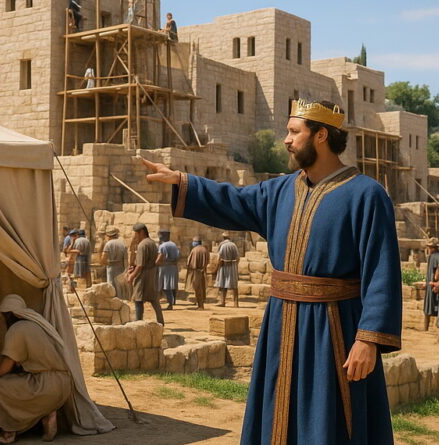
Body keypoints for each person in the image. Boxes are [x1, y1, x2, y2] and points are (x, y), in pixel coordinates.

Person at [140, 99, 402, 445]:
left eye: (294, 131)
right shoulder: (279, 190)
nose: (286, 139)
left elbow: (381, 271)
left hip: (333, 328)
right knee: (276, 415)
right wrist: (183, 181)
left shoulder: (366, 195)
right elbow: (232, 199)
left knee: (331, 419)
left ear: (321, 135)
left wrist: (368, 340)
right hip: (281, 324)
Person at [0, 295, 74, 444]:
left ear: (8, 314)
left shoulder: (17, 329)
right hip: (64, 385)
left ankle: (8, 433)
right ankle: (48, 412)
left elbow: (6, 365)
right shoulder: (37, 324)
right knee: (18, 381)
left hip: (46, 386)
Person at [127, 223, 165, 325]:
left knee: (138, 299)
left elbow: (140, 265)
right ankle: (161, 322)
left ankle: (138, 322)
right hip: (152, 274)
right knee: (154, 300)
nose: (135, 236)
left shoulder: (142, 245)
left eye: (136, 234)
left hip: (143, 276)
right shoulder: (152, 243)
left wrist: (132, 276)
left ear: (141, 232)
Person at [421, 237, 439, 331]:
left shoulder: (434, 256)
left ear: (432, 248)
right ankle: (438, 328)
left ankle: (426, 328)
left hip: (434, 285)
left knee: (429, 307)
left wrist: (436, 283)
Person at [156, 228, 181, 310]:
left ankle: (170, 303)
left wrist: (155, 264)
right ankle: (173, 301)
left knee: (164, 286)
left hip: (165, 267)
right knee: (172, 285)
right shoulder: (174, 244)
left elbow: (160, 257)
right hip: (173, 267)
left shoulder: (163, 246)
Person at [215, 232, 240, 307]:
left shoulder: (223, 245)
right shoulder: (234, 245)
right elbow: (238, 258)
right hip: (233, 266)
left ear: (223, 238)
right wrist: (235, 265)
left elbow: (219, 258)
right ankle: (236, 303)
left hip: (224, 266)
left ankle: (223, 302)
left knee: (223, 285)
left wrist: (217, 267)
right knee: (234, 286)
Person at [101, 226, 127, 295]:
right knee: (120, 286)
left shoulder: (108, 244)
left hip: (111, 267)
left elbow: (103, 258)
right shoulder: (122, 244)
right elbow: (126, 259)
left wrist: (106, 263)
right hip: (121, 267)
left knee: (111, 285)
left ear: (109, 235)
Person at [186, 236, 210, 310]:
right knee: (202, 288)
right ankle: (200, 303)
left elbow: (190, 262)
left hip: (196, 271)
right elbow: (208, 260)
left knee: (197, 288)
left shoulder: (194, 250)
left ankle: (200, 305)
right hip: (203, 271)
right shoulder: (205, 249)